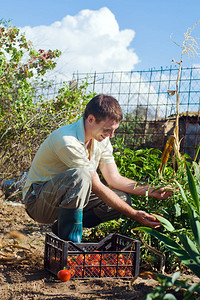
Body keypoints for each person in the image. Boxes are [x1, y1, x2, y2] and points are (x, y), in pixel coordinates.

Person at [23, 94, 172, 243]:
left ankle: (61, 230)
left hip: (65, 198)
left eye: (114, 130)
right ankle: (71, 245)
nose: (111, 135)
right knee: (81, 175)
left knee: (122, 199)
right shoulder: (67, 140)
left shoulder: (101, 139)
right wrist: (134, 214)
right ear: (91, 119)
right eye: (107, 129)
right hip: (38, 202)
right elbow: (95, 184)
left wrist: (151, 190)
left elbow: (114, 179)